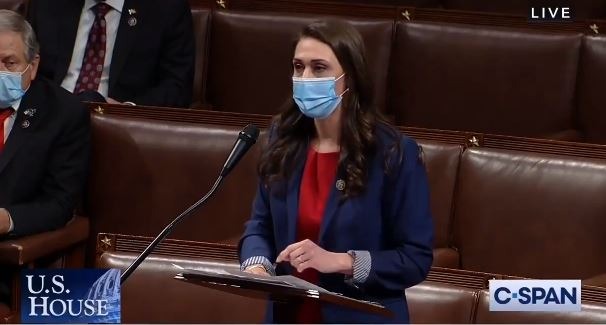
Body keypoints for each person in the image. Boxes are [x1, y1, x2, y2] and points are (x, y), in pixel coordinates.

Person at [238, 19, 434, 323]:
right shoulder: (282, 139)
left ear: (349, 78)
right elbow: (260, 225)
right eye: (298, 66)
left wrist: (341, 261)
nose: (305, 77)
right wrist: (257, 266)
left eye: (319, 68)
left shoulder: (393, 153)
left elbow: (414, 258)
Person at [26, 0, 195, 107]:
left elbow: (177, 86)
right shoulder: (48, 4)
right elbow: (26, 65)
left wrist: (129, 108)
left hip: (119, 124)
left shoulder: (166, 7)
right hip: (50, 114)